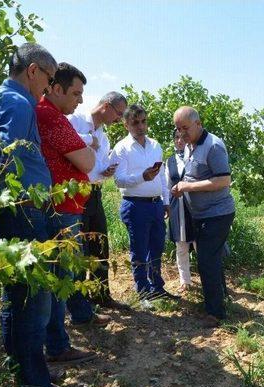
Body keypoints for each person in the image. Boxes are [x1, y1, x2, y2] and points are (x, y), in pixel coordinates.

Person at [0, 43, 79, 387]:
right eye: (48, 80)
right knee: (35, 302)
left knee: (15, 298)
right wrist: (33, 202)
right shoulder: (19, 104)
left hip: (11, 211)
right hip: (24, 212)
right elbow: (10, 161)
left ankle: (21, 374)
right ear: (33, 71)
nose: (48, 89)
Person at [37, 62, 111, 364]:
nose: (80, 100)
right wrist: (88, 151)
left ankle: (59, 339)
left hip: (64, 207)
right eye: (76, 93)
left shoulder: (54, 116)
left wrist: (88, 152)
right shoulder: (51, 117)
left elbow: (88, 159)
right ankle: (56, 345)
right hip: (59, 210)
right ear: (56, 88)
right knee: (60, 277)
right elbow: (88, 162)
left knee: (62, 275)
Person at [171, 106, 235, 328]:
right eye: (178, 129)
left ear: (198, 123)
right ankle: (220, 298)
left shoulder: (213, 146)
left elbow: (223, 181)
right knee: (211, 258)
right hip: (200, 214)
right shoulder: (191, 145)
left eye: (185, 128)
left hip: (217, 213)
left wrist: (187, 186)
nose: (181, 133)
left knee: (206, 260)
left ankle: (215, 313)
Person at [111, 104, 178, 300]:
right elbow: (118, 180)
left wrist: (166, 201)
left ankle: (157, 287)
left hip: (156, 204)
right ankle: (142, 292)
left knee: (157, 247)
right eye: (135, 123)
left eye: (143, 121)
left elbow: (162, 177)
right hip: (135, 205)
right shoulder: (121, 148)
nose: (140, 126)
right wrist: (142, 177)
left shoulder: (155, 145)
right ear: (126, 125)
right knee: (139, 250)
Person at [68, 91, 128, 308]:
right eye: (119, 114)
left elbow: (98, 166)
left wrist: (107, 170)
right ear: (105, 106)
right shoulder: (75, 120)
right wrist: (87, 140)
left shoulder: (104, 136)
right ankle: (76, 304)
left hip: (95, 193)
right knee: (77, 249)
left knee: (100, 245)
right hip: (75, 194)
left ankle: (100, 296)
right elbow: (60, 140)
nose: (119, 120)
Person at [166, 129, 196, 293]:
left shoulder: (195, 157)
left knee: (200, 243)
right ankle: (185, 281)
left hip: (196, 206)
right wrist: (167, 205)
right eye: (176, 137)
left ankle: (208, 279)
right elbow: (167, 185)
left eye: (183, 137)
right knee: (181, 245)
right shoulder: (169, 161)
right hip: (177, 207)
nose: (179, 140)